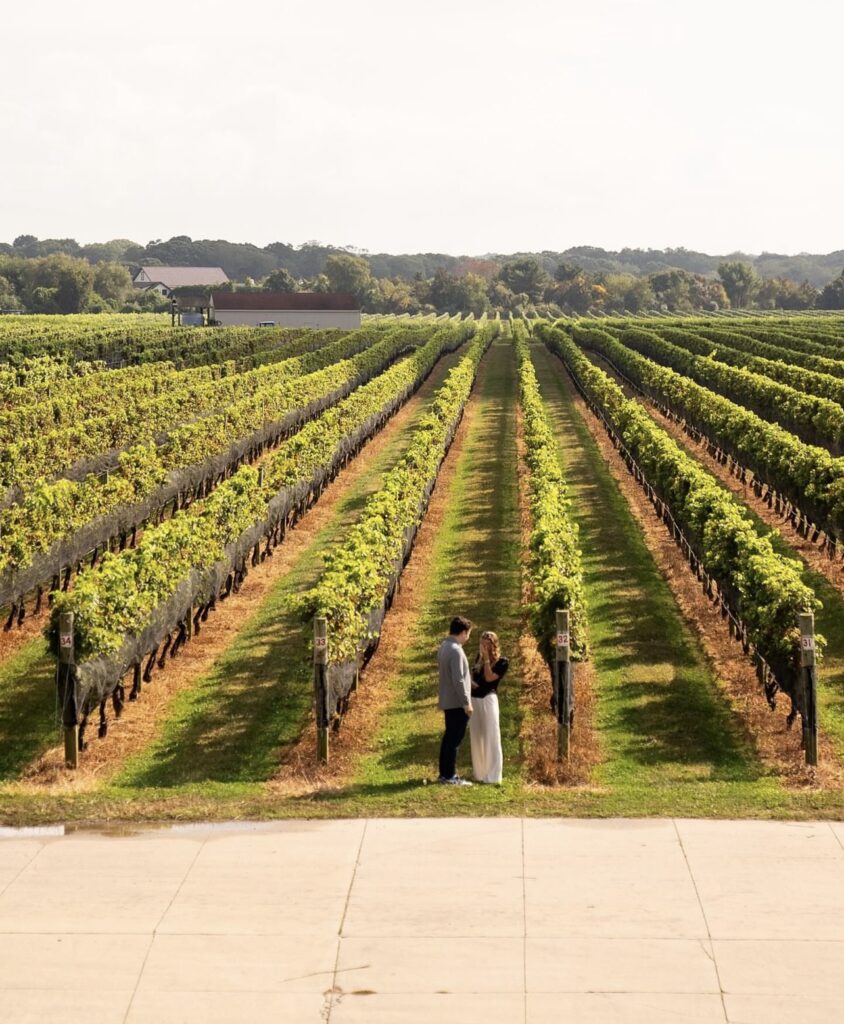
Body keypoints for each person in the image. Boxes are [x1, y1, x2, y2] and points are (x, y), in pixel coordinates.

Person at [437, 616, 474, 785]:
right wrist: (466, 702)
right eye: (468, 634)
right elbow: (458, 679)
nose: (468, 638)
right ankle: (450, 776)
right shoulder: (456, 650)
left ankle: (444, 773)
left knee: (448, 738)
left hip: (447, 700)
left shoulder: (444, 646)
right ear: (463, 632)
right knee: (455, 739)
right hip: (456, 702)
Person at [469, 631, 508, 784]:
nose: (484, 647)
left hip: (488, 698)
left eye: (487, 644)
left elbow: (489, 678)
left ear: (493, 645)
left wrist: (486, 660)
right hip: (475, 698)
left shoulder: (502, 662)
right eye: (482, 644)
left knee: (492, 735)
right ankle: (479, 773)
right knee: (477, 736)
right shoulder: (477, 659)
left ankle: (493, 775)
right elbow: (474, 677)